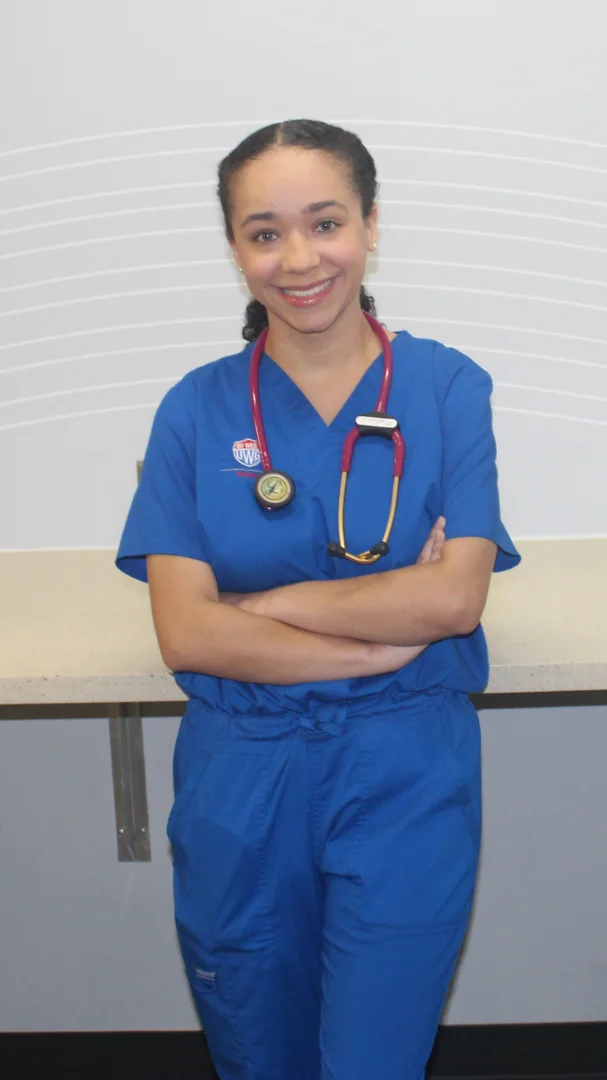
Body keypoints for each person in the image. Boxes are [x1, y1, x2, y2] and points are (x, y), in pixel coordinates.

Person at [116, 119, 520, 1080]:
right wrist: (376, 635)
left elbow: (454, 600)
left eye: (325, 222)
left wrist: (261, 607)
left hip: (402, 771)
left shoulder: (445, 386)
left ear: (371, 226)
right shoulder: (195, 409)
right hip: (240, 777)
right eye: (263, 232)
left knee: (373, 1062)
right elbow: (185, 629)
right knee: (261, 1058)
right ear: (234, 248)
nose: (298, 259)